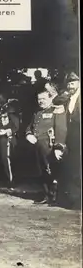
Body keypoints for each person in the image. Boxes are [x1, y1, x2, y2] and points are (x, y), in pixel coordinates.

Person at [25, 88, 67, 205]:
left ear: (50, 98)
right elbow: (30, 127)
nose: (40, 101)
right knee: (41, 171)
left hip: (50, 146)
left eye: (43, 99)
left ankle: (55, 196)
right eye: (39, 99)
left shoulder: (56, 110)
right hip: (38, 146)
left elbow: (61, 129)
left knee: (52, 171)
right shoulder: (37, 112)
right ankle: (46, 194)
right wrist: (29, 135)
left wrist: (59, 147)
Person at [53, 72, 80, 209]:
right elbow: (55, 101)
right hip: (72, 137)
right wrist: (66, 94)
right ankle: (75, 200)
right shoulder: (68, 97)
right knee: (74, 166)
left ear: (79, 82)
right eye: (68, 83)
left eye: (73, 83)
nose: (70, 86)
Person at [0, 100, 20, 186]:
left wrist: (7, 131)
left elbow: (16, 127)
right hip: (2, 139)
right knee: (4, 159)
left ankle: (12, 180)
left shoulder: (12, 115)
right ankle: (8, 178)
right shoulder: (0, 115)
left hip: (9, 139)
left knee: (9, 159)